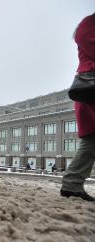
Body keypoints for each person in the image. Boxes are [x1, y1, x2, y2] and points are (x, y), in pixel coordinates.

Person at [61, 14, 95, 202]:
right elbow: (85, 39)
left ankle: (72, 184)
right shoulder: (89, 24)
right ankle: (72, 183)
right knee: (91, 141)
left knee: (91, 142)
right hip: (90, 89)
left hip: (88, 90)